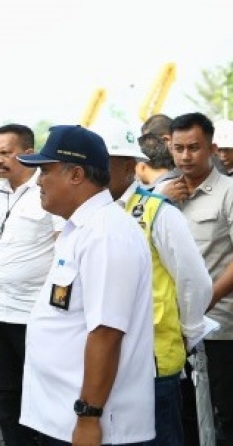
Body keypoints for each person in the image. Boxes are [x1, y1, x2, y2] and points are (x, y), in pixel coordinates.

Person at [17, 125, 156, 445]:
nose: (39, 181)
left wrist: (89, 417)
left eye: (45, 171)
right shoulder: (82, 229)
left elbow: (106, 333)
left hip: (95, 427)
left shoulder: (106, 234)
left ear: (76, 174)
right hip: (63, 419)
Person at [95, 119, 213, 446]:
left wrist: (188, 332)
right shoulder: (95, 215)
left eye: (100, 163)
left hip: (155, 363)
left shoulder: (157, 212)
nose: (92, 172)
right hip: (107, 361)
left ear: (127, 165)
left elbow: (195, 282)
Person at [0, 123, 62, 446]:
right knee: (5, 395)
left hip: (33, 314)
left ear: (28, 153)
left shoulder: (47, 190)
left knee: (42, 394)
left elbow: (64, 248)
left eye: (5, 152)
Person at [155, 112, 233, 446]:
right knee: (180, 414)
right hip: (170, 330)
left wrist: (201, 303)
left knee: (222, 415)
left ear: (212, 148)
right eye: (179, 148)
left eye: (194, 148)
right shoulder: (158, 193)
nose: (186, 156)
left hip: (217, 327)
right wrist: (161, 200)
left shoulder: (228, 192)